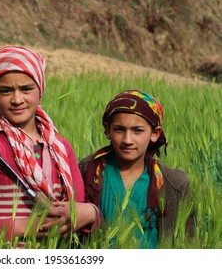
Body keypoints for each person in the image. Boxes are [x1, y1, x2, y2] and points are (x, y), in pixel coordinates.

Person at [0, 45, 99, 245]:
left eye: (26, 89)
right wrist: (25, 227)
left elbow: (79, 211)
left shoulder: (60, 148)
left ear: (40, 90)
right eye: (6, 91)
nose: (17, 100)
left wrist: (91, 212)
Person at [79, 89, 195, 248]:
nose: (128, 140)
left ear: (155, 133)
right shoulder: (88, 171)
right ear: (107, 130)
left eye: (137, 130)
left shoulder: (174, 184)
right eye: (119, 129)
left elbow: (189, 244)